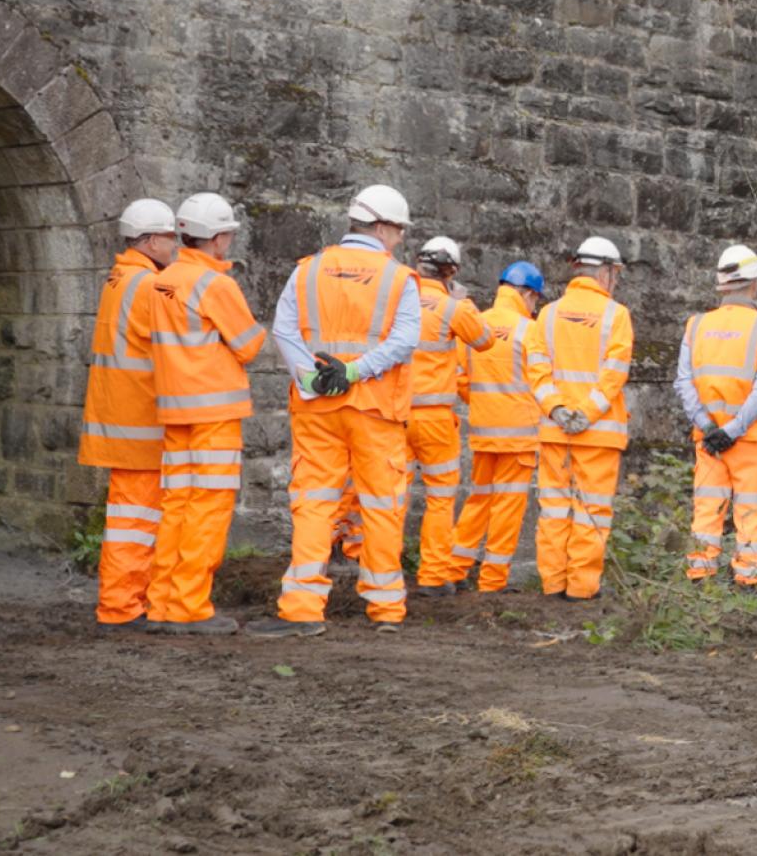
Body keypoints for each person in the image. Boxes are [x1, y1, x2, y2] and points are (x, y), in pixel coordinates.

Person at [249, 184, 421, 638]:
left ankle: (303, 607)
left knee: (314, 502)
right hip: (374, 408)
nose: (400, 239)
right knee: (382, 504)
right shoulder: (398, 278)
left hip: (317, 408)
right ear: (383, 226)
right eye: (399, 230)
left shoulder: (307, 271)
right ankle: (385, 609)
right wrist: (354, 371)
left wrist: (313, 379)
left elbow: (284, 330)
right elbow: (403, 342)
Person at [145, 193, 268, 634]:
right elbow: (250, 344)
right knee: (208, 509)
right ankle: (189, 606)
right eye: (229, 235)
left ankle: (160, 603)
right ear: (217, 239)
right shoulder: (215, 285)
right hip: (213, 411)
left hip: (175, 409)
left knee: (176, 504)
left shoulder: (162, 279)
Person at [78, 199, 179, 630]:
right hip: (138, 419)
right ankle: (121, 606)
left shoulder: (122, 279)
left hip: (122, 415)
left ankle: (127, 600)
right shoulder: (147, 287)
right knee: (135, 520)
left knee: (131, 517)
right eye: (170, 236)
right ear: (152, 239)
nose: (175, 244)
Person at [677, 245, 757, 589]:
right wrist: (733, 430)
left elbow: (684, 382)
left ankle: (700, 579)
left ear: (721, 285)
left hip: (708, 442)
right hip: (751, 439)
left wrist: (709, 428)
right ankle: (748, 585)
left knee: (707, 510)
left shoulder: (696, 326)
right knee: (752, 513)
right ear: (754, 283)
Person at [534, 237, 633, 601]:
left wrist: (558, 410)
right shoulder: (616, 315)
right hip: (598, 434)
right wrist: (586, 413)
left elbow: (536, 370)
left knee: (555, 510)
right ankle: (581, 589)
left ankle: (552, 584)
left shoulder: (547, 315)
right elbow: (614, 373)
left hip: (554, 431)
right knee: (592, 511)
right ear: (606, 271)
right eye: (615, 274)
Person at [449, 261, 553, 593]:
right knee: (508, 507)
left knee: (478, 500)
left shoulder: (476, 324)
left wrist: (484, 404)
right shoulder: (530, 330)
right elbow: (540, 382)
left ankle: (454, 569)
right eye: (535, 300)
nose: (535, 306)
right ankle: (492, 581)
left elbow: (461, 380)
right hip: (519, 437)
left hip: (482, 431)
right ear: (527, 294)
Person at [407, 236, 495, 596]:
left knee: (387, 497)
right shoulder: (451, 307)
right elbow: (485, 339)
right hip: (435, 420)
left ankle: (378, 572)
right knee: (440, 498)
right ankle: (432, 577)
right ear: (451, 272)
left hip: (392, 415)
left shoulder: (396, 302)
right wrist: (464, 301)